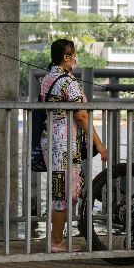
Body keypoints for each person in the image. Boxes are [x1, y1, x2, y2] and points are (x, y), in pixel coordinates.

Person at [40, 39, 108, 252]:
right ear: (66, 57)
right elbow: (81, 116)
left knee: (61, 190)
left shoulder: (48, 78)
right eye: (74, 55)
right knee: (64, 193)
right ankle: (55, 242)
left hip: (49, 139)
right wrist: (99, 144)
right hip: (64, 143)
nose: (75, 59)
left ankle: (56, 239)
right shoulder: (69, 82)